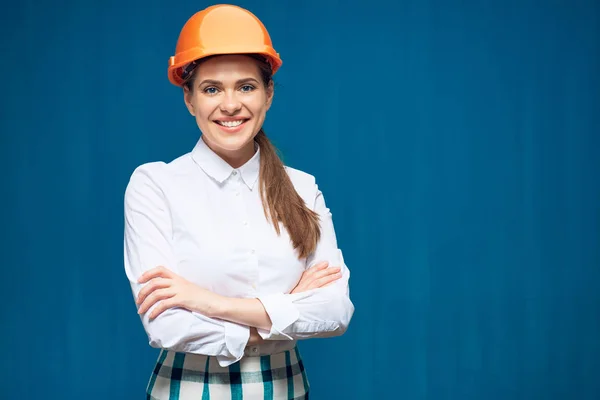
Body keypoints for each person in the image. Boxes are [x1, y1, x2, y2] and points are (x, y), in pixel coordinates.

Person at [123, 4, 354, 399]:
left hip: (284, 388)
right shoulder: (155, 184)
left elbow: (334, 313)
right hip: (186, 389)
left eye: (246, 86)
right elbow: (166, 327)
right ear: (189, 99)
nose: (230, 105)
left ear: (268, 94)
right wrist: (289, 305)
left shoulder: (302, 188)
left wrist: (206, 302)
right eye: (212, 89)